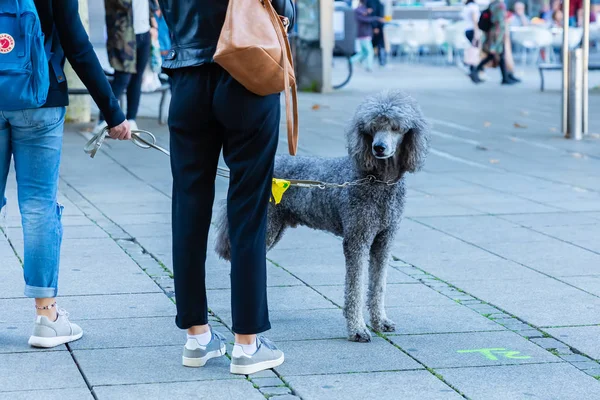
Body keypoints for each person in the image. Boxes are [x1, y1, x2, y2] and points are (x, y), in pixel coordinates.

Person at [156, 0, 295, 375]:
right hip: (246, 72)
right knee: (248, 209)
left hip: (185, 79)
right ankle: (247, 343)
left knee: (188, 206)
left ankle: (196, 338)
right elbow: (281, 10)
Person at [0, 0, 131, 348]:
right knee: (39, 205)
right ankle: (46, 317)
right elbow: (76, 43)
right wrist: (113, 112)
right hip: (40, 97)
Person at [94, 0, 157, 133]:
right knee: (122, 78)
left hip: (144, 32)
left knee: (137, 78)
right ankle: (103, 120)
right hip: (123, 34)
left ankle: (131, 118)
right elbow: (123, 4)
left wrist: (153, 24)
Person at [470, 0, 519, 84]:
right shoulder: (499, 6)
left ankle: (506, 77)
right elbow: (498, 21)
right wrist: (499, 36)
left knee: (499, 55)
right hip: (497, 35)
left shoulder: (493, 5)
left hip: (495, 34)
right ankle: (476, 70)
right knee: (494, 54)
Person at [352, 0, 384, 72]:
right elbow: (366, 19)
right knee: (369, 51)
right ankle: (369, 66)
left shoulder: (362, 10)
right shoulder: (359, 11)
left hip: (365, 34)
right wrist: (376, 18)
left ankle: (351, 61)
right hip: (364, 34)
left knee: (364, 52)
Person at [462, 0, 482, 72]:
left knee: (473, 49)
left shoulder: (467, 7)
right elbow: (475, 20)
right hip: (473, 30)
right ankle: (475, 70)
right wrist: (477, 32)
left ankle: (472, 68)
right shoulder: (473, 7)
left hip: (468, 30)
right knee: (476, 50)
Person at [368, 0, 387, 66]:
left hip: (380, 26)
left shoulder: (380, 2)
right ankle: (368, 61)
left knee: (380, 45)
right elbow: (372, 14)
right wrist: (375, 27)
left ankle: (382, 61)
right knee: (373, 45)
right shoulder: (372, 2)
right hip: (375, 27)